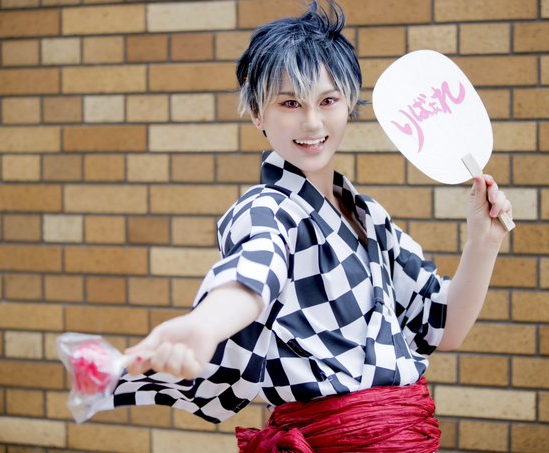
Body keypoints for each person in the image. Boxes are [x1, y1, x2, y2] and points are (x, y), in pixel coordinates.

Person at [100, 1, 512, 451]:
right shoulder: (266, 209)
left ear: (349, 103)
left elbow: (444, 328)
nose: (312, 122)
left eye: (328, 101)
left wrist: (483, 241)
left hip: (407, 435)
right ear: (257, 113)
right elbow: (255, 270)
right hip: (331, 439)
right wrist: (206, 323)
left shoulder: (369, 217)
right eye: (290, 102)